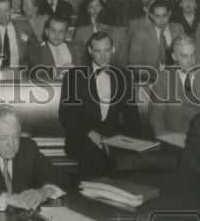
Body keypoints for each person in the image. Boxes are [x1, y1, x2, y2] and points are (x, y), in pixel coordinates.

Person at [59, 31, 141, 179]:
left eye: (107, 51)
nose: (103, 56)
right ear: (90, 51)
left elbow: (131, 112)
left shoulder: (124, 75)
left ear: (113, 49)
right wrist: (91, 134)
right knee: (91, 156)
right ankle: (87, 198)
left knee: (128, 163)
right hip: (82, 135)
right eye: (98, 51)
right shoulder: (74, 76)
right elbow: (67, 115)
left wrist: (137, 141)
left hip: (112, 135)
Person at [146, 35, 200, 144]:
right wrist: (166, 138)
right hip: (174, 136)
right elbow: (156, 114)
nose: (190, 61)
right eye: (184, 56)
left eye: (193, 55)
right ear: (174, 57)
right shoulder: (163, 78)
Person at [128, 0, 182, 70]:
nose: (162, 20)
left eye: (165, 15)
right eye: (157, 16)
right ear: (151, 16)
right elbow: (135, 63)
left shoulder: (178, 29)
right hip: (151, 77)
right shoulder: (140, 35)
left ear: (169, 14)